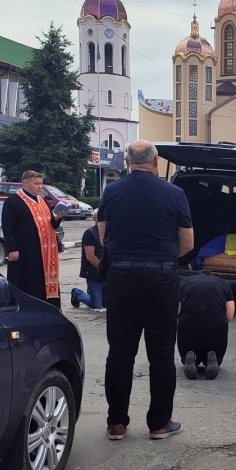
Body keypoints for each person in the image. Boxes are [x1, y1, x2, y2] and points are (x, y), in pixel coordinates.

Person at [99, 140, 194, 441]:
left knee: (120, 352)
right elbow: (188, 243)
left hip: (121, 276)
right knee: (162, 354)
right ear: (155, 163)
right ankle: (159, 424)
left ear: (127, 161)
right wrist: (162, 259)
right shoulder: (175, 193)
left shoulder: (111, 192)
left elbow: (103, 238)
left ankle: (116, 424)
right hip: (162, 279)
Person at [2, 170, 65, 307]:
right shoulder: (13, 201)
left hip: (45, 253)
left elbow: (50, 224)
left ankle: (49, 308)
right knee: (27, 282)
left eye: (41, 183)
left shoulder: (42, 201)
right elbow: (7, 226)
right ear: (25, 183)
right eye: (36, 183)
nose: (40, 187)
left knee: (43, 282)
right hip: (26, 252)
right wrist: (12, 249)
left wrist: (57, 219)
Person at [178, 271, 235, 381]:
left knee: (186, 349)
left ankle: (189, 356)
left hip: (188, 322)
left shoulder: (184, 281)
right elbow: (230, 314)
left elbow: (177, 309)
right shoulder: (224, 283)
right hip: (216, 323)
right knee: (217, 351)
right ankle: (213, 356)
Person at [71, 209, 104, 311]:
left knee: (108, 304)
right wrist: (104, 268)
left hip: (107, 275)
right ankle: (77, 293)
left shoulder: (111, 233)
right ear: (94, 219)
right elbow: (90, 257)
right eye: (99, 216)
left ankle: (92, 292)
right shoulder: (89, 233)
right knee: (97, 306)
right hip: (93, 273)